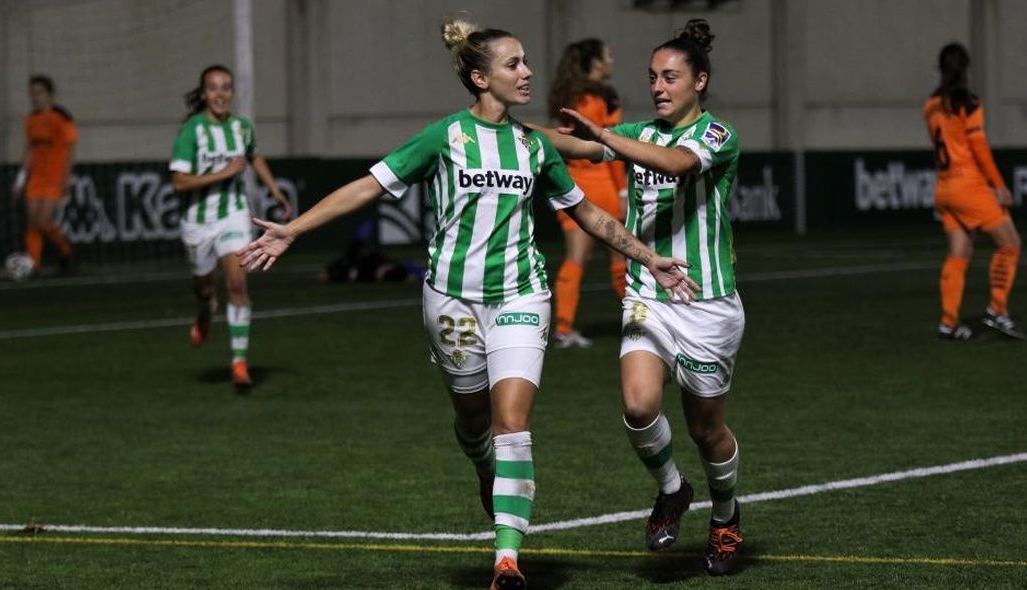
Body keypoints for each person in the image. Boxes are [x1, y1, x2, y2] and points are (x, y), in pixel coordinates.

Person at [239, 16, 697, 590]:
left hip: (521, 296)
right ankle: (484, 467)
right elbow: (367, 185)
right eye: (514, 64)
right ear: (481, 78)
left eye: (526, 61)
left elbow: (586, 213)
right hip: (451, 302)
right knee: (472, 419)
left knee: (512, 422)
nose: (527, 72)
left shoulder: (533, 145)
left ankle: (506, 558)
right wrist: (293, 229)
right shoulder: (443, 137)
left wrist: (646, 256)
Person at [540, 18, 746, 575]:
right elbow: (577, 143)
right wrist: (513, 132)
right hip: (648, 294)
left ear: (698, 81)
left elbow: (676, 164)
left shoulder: (717, 136)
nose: (658, 86)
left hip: (707, 305)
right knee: (638, 405)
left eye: (670, 77)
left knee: (707, 429)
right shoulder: (641, 133)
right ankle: (673, 489)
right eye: (652, 76)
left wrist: (606, 136)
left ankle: (725, 518)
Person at [169, 65, 293, 388]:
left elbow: (253, 156)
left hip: (234, 214)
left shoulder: (241, 128)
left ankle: (239, 362)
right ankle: (204, 309)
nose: (220, 94)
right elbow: (179, 182)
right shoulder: (191, 131)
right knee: (205, 286)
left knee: (237, 284)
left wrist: (273, 187)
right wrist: (224, 173)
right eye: (213, 88)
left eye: (226, 87)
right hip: (197, 220)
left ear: (232, 93)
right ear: (204, 93)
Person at [924, 43, 1024, 341]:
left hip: (943, 187)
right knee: (1010, 243)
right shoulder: (969, 104)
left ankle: (948, 323)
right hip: (967, 184)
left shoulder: (929, 106)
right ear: (965, 69)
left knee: (960, 251)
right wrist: (998, 185)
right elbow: (978, 149)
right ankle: (997, 310)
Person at [546, 39, 629, 348]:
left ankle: (564, 329)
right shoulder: (605, 96)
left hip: (570, 184)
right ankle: (639, 322)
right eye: (607, 55)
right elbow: (612, 144)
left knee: (575, 259)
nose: (611, 59)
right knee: (622, 254)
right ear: (595, 63)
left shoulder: (570, 95)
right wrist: (622, 189)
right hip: (601, 182)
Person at [12, 75, 76, 275]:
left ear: (50, 95)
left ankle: (65, 249)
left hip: (54, 177)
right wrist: (21, 178)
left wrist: (67, 175)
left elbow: (70, 147)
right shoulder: (31, 119)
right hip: (36, 178)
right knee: (32, 222)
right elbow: (29, 149)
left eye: (39, 93)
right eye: (32, 94)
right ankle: (34, 264)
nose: (35, 98)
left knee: (43, 222)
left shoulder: (62, 118)